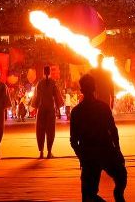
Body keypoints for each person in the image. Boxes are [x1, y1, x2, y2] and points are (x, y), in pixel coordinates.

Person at [70, 74, 127, 202]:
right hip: (106, 151)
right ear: (95, 88)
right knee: (121, 178)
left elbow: (73, 141)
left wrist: (82, 157)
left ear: (81, 90)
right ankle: (118, 195)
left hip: (89, 154)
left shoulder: (76, 112)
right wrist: (117, 151)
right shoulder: (103, 108)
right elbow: (113, 131)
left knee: (88, 195)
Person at [33, 65, 64, 158]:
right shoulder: (53, 83)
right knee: (50, 130)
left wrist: (35, 106)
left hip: (41, 109)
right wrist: (58, 107)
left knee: (40, 130)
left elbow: (36, 97)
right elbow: (57, 97)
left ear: (43, 72)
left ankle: (41, 152)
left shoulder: (39, 83)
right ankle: (49, 152)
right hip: (50, 109)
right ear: (49, 72)